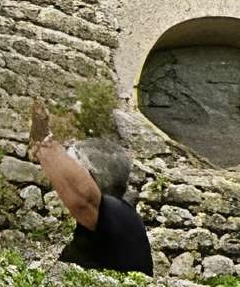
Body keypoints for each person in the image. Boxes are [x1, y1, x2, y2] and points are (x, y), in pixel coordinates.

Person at [26, 99, 154, 275]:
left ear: (92, 177)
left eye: (76, 167)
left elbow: (84, 198)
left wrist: (44, 144)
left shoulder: (117, 214)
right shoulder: (113, 218)